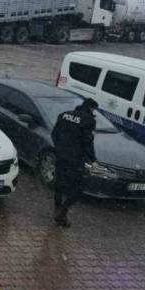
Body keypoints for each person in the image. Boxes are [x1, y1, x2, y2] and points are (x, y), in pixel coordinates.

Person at [50, 98, 98, 228]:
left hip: (61, 155)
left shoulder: (64, 115)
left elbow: (54, 134)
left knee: (59, 183)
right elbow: (88, 142)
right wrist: (92, 160)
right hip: (75, 159)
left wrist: (60, 148)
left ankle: (58, 209)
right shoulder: (88, 120)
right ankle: (62, 212)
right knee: (78, 187)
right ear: (91, 108)